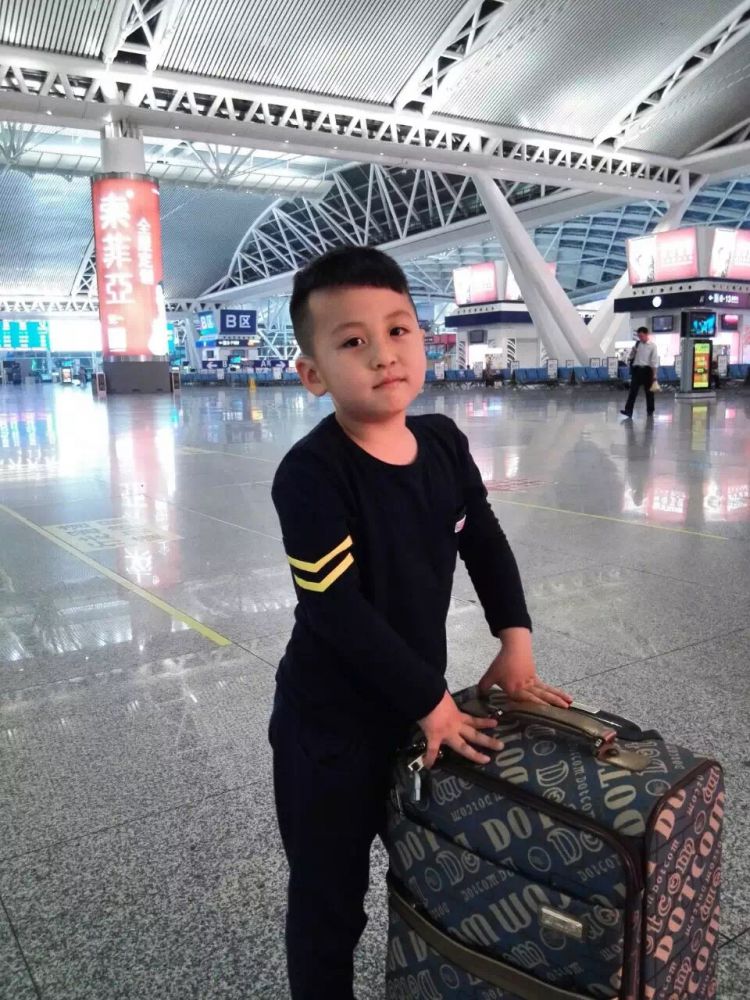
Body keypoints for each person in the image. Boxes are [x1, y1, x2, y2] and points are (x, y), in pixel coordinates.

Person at [268, 246, 572, 1000]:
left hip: (412, 714)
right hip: (329, 730)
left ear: (423, 339)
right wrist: (432, 700)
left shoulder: (442, 443)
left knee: (436, 874)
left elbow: (483, 539)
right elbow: (334, 609)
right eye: (352, 341)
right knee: (330, 899)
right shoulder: (310, 475)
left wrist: (515, 640)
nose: (383, 354)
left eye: (398, 330)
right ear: (313, 373)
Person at [621, 326, 658, 418]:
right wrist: (633, 352)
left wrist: (654, 375)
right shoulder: (638, 344)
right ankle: (628, 411)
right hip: (637, 370)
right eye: (639, 336)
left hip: (647, 370)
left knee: (649, 392)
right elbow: (631, 357)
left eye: (642, 336)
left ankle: (650, 410)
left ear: (646, 334)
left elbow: (654, 362)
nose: (640, 338)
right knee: (633, 391)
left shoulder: (652, 346)